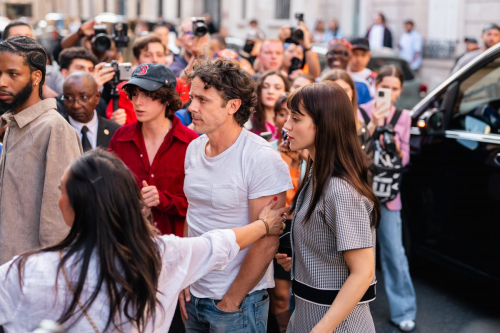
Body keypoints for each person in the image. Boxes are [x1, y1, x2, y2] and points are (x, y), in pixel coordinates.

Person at [0, 149, 290, 332]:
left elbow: (219, 242)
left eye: (60, 189)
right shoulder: (160, 255)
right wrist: (264, 224)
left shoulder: (26, 271)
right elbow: (219, 243)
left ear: (71, 205)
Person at [180, 58, 293, 332]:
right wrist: (183, 279)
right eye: (192, 97)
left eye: (203, 100)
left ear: (232, 106)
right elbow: (193, 215)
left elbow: (267, 241)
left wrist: (231, 301)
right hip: (193, 294)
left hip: (238, 304)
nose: (192, 107)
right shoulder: (194, 148)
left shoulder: (261, 158)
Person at [276, 82, 380, 332]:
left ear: (325, 124)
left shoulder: (340, 189)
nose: (286, 125)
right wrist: (302, 261)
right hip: (308, 316)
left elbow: (363, 272)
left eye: (296, 118)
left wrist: (320, 330)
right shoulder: (315, 174)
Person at [0, 36, 82, 265]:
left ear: (36, 77)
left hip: (34, 274)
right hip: (9, 270)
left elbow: (60, 219)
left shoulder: (54, 128)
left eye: (12, 74)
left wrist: (51, 276)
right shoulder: (12, 125)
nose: (2, 82)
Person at [358, 65, 416, 332]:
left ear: (400, 91)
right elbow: (355, 149)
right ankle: (351, 308)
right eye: (385, 87)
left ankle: (403, 309)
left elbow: (404, 157)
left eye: (394, 89)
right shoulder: (360, 111)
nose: (389, 93)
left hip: (389, 195)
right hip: (360, 193)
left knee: (394, 253)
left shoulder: (404, 116)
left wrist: (390, 140)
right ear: (375, 85)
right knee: (356, 253)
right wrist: (374, 126)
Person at [109, 63, 197, 237]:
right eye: (134, 94)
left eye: (147, 94)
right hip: (128, 243)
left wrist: (163, 200)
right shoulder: (120, 138)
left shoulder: (191, 143)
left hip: (174, 248)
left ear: (165, 98)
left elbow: (201, 204)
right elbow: (107, 191)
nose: (138, 102)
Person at [105, 34, 175, 126]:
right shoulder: (123, 89)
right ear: (137, 60)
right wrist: (115, 123)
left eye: (159, 55)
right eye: (148, 55)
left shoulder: (177, 84)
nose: (155, 60)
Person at [321, 69, 373, 159]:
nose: (341, 96)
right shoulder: (314, 126)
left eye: (345, 90)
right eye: (334, 91)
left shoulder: (361, 128)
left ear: (352, 93)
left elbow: (368, 165)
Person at [62, 72, 120, 150]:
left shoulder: (115, 131)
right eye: (68, 98)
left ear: (97, 97)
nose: (76, 105)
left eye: (83, 97)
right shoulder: (55, 132)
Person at [325, 39, 372, 105]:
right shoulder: (317, 82)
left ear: (350, 57)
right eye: (332, 53)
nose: (336, 56)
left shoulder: (361, 85)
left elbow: (367, 111)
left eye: (342, 53)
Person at [250, 70, 290, 140]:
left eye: (277, 88)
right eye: (265, 87)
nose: (270, 91)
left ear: (285, 92)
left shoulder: (290, 121)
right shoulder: (249, 121)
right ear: (259, 90)